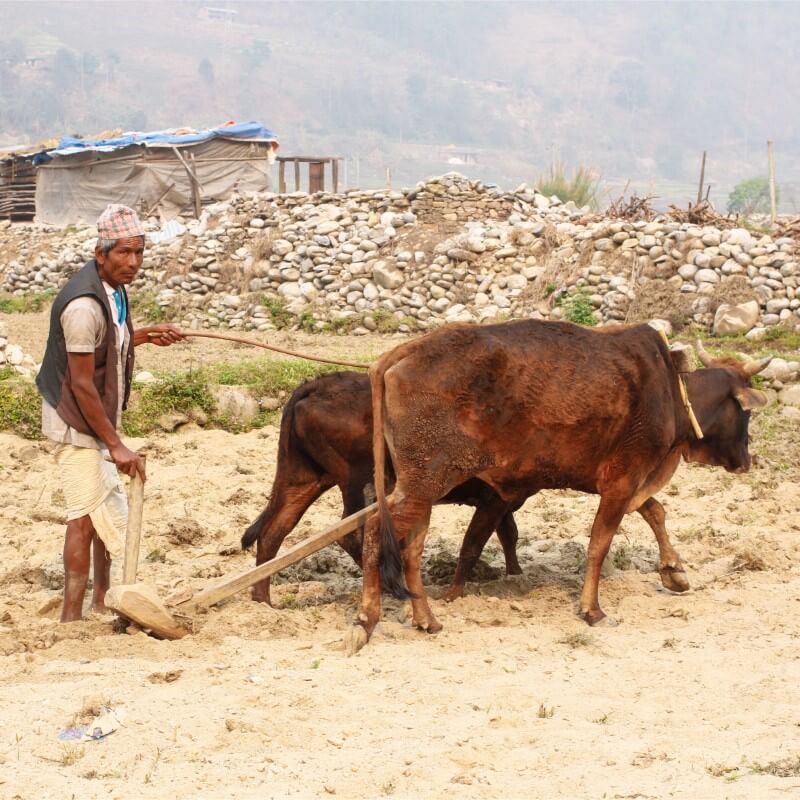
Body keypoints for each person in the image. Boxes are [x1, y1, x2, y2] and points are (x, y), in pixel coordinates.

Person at [36, 204, 186, 622]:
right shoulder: (83, 307)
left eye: (138, 252)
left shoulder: (114, 291)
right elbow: (82, 383)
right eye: (123, 253)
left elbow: (109, 344)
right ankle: (71, 618)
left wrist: (143, 337)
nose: (133, 263)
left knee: (106, 513)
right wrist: (116, 445)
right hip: (73, 419)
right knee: (84, 517)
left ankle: (103, 600)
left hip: (94, 416)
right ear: (100, 253)